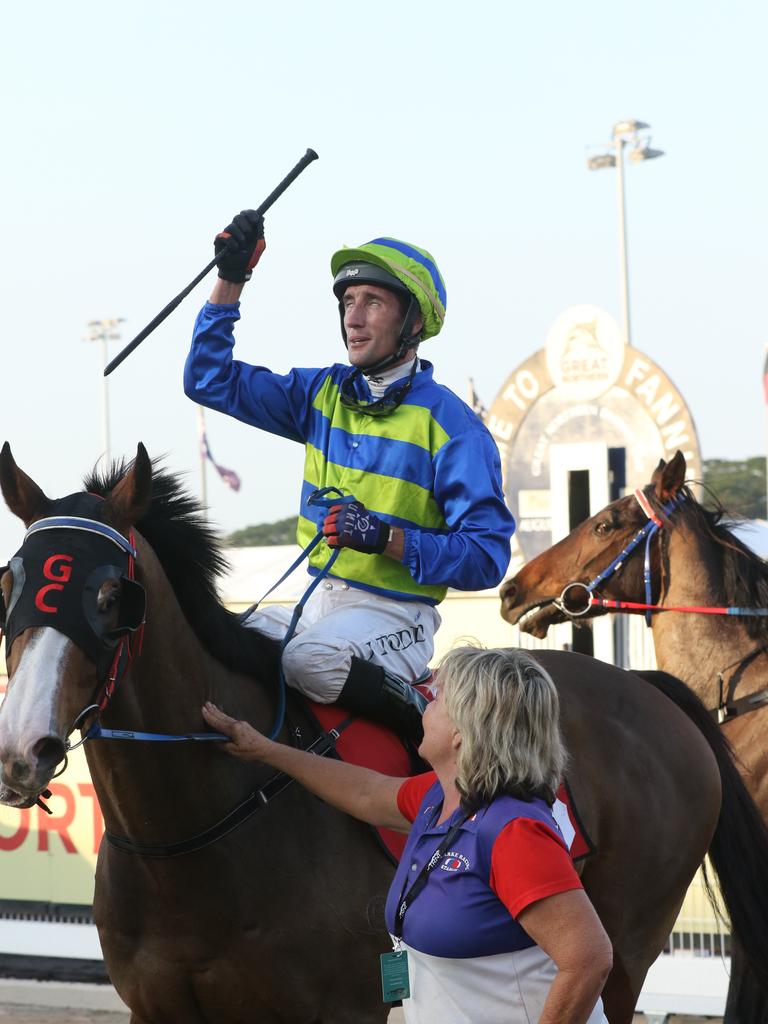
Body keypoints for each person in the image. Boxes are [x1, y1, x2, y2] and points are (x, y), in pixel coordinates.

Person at [184, 212, 515, 742]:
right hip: (316, 603)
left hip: (397, 618)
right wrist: (230, 280)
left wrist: (386, 538)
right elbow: (208, 380)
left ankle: (437, 734)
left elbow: (486, 558)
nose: (353, 319)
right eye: (347, 302)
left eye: (373, 302)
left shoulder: (455, 429)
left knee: (308, 661)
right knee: (217, 643)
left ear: (412, 322)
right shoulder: (321, 394)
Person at [201, 645, 612, 1024]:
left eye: (437, 701)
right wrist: (265, 750)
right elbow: (366, 792)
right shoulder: (442, 797)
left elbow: (589, 959)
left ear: (461, 733)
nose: (424, 709)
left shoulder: (513, 830)